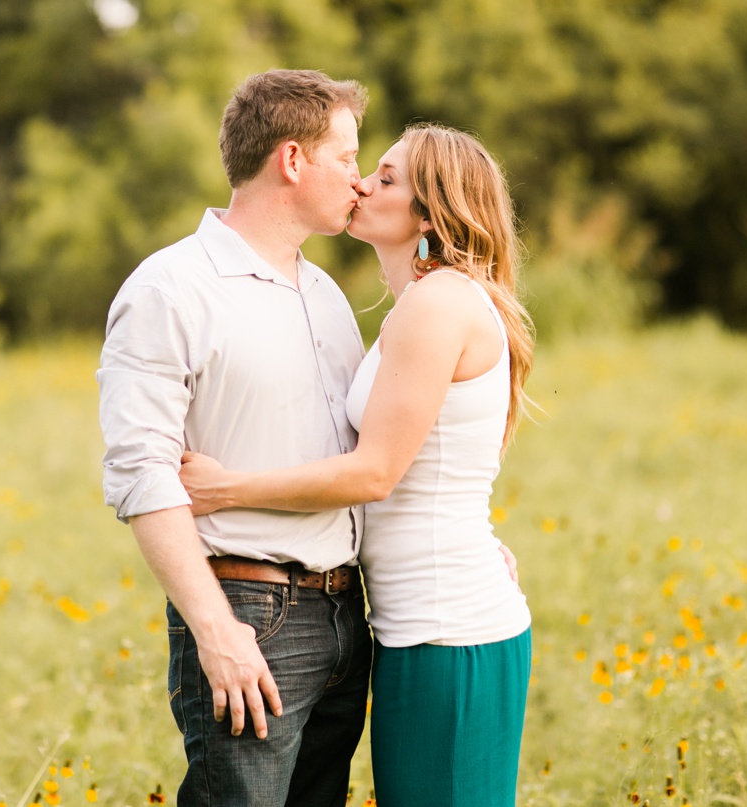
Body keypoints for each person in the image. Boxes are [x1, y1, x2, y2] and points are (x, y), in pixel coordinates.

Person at [180, 123, 536, 807]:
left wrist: (228, 488)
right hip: (420, 627)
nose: (363, 183)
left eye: (387, 177)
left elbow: (376, 473)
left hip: (447, 633)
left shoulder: (436, 305)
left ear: (430, 213)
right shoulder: (425, 302)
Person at [97, 69, 374, 807]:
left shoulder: (326, 293)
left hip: (348, 614)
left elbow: (360, 458)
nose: (360, 178)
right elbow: (141, 475)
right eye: (346, 157)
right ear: (292, 159)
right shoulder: (169, 290)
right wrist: (216, 631)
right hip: (250, 615)